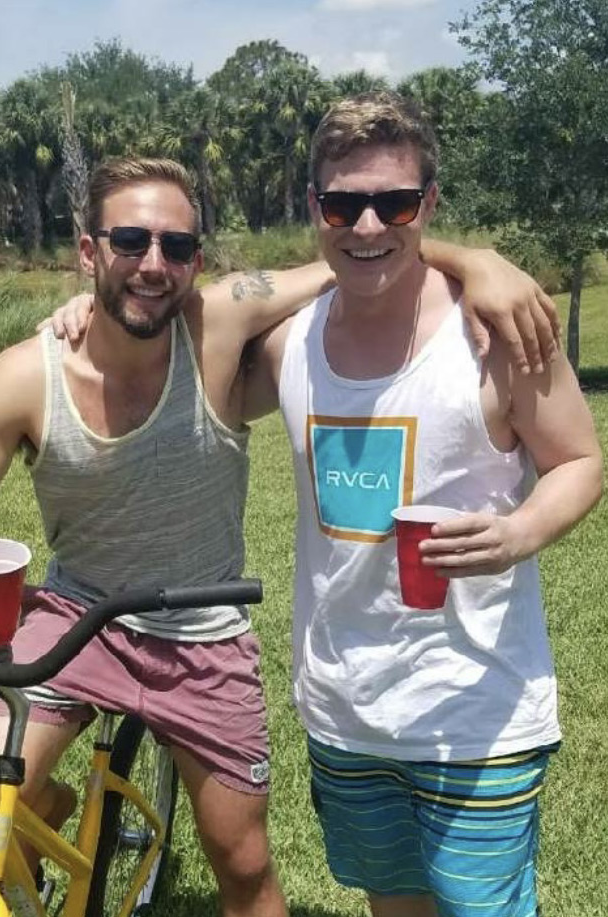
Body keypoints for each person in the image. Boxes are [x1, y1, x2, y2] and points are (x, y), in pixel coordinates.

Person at [0, 154, 560, 917]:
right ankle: (54, 804)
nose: (153, 263)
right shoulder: (25, 378)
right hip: (79, 617)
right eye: (129, 241)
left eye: (175, 246)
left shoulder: (216, 328)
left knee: (242, 863)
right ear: (87, 251)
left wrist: (475, 259)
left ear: (197, 262)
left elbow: (358, 253)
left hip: (202, 632)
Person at [242, 93, 603, 917]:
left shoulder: (497, 336)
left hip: (477, 713)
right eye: (343, 205)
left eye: (396, 203)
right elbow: (194, 307)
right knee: (393, 903)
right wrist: (88, 304)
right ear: (314, 207)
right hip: (344, 708)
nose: (368, 225)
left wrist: (518, 532)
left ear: (428, 202)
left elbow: (582, 461)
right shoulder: (291, 342)